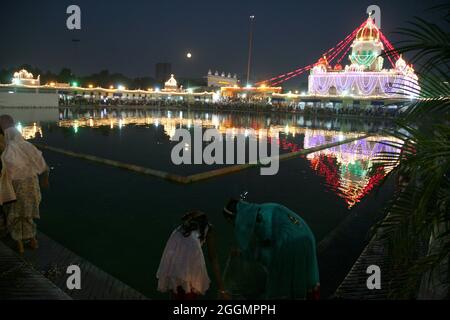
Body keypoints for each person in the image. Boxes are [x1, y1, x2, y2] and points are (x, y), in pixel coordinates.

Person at [223, 199, 320, 300]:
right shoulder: (262, 209)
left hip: (292, 244)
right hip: (306, 235)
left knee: (281, 274)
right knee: (306, 273)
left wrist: (245, 254)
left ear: (237, 217)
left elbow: (266, 247)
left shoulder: (260, 218)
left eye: (231, 221)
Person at [0, 115, 49, 254]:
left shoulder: (8, 151)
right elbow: (42, 165)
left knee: (15, 215)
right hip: (31, 185)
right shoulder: (28, 146)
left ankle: (20, 244)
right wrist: (45, 177)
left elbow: (6, 172)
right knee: (28, 214)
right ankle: (33, 240)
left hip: (16, 187)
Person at [156, 210, 229, 300]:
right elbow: (213, 257)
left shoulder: (180, 230)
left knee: (176, 292)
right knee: (188, 294)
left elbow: (171, 253)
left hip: (174, 268)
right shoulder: (207, 229)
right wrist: (222, 289)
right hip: (188, 271)